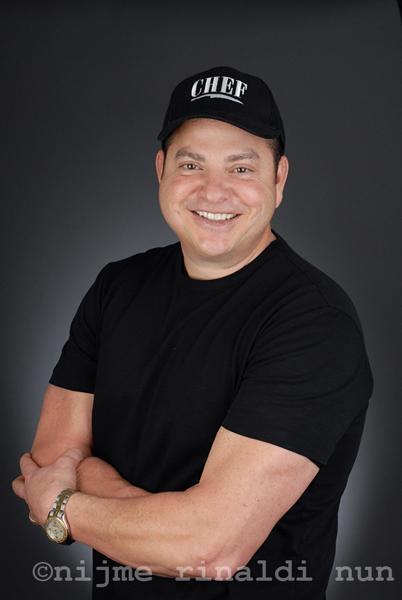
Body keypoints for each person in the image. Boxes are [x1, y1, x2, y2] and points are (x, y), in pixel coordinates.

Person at [12, 65, 374, 599]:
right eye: (191, 163)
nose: (214, 190)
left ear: (279, 180)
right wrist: (175, 525)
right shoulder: (118, 287)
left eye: (242, 168)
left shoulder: (315, 323)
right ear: (161, 170)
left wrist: (64, 505)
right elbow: (49, 455)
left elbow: (209, 548)